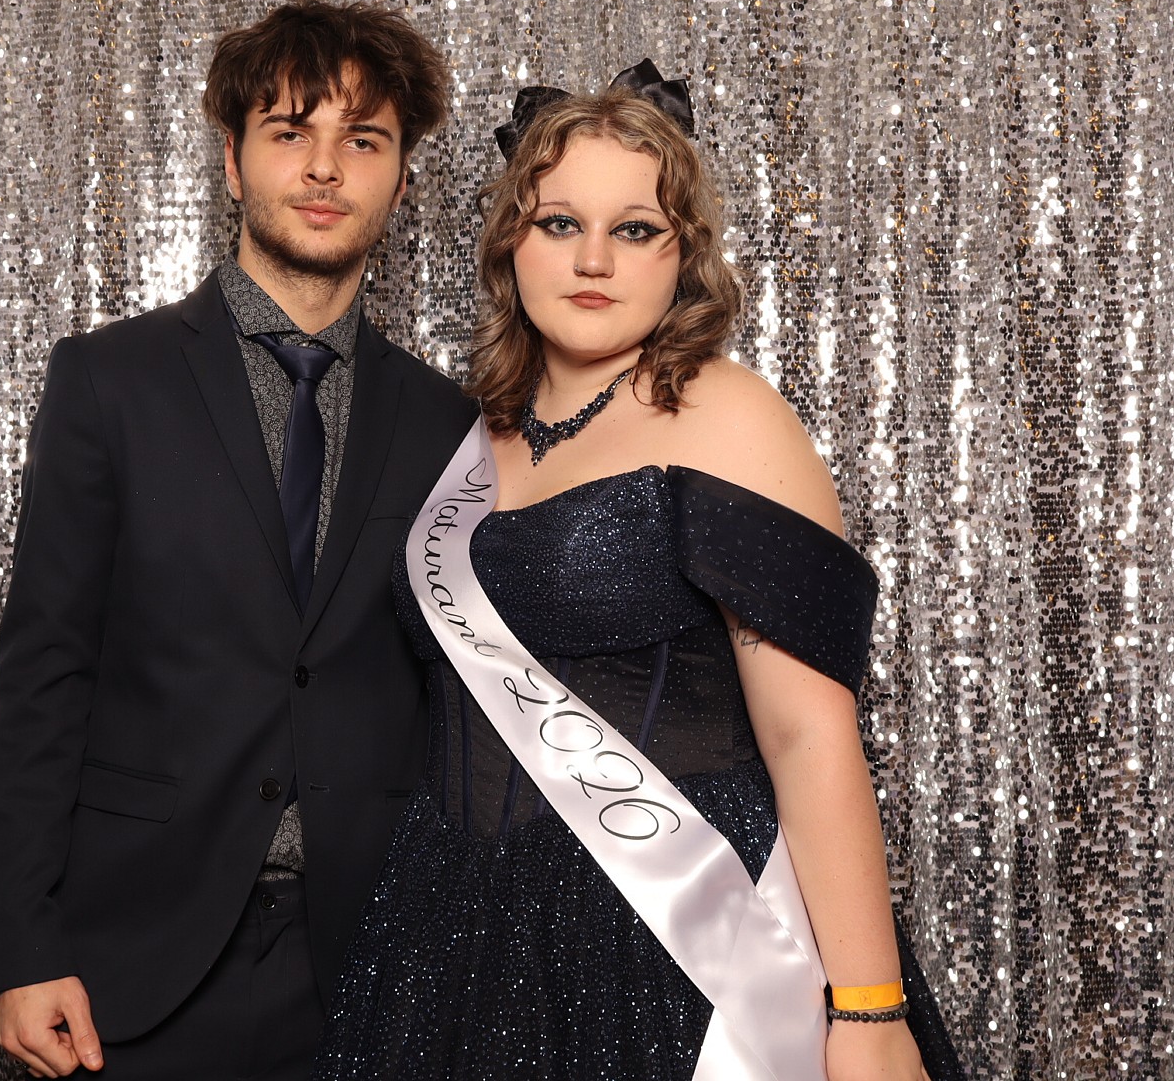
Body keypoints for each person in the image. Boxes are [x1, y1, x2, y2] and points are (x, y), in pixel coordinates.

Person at [314, 73, 963, 1079]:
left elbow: (808, 733)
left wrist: (869, 1013)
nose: (591, 259)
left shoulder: (728, 416)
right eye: (559, 223)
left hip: (670, 942)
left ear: (682, 253)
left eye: (633, 229)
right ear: (509, 242)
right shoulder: (468, 437)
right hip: (445, 933)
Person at [0, 0, 476, 1080]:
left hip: (370, 964)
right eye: (290, 131)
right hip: (133, 959)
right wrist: (22, 944)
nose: (325, 167)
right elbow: (44, 673)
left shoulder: (450, 424)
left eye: (364, 140)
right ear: (233, 161)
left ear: (402, 179)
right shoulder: (108, 383)